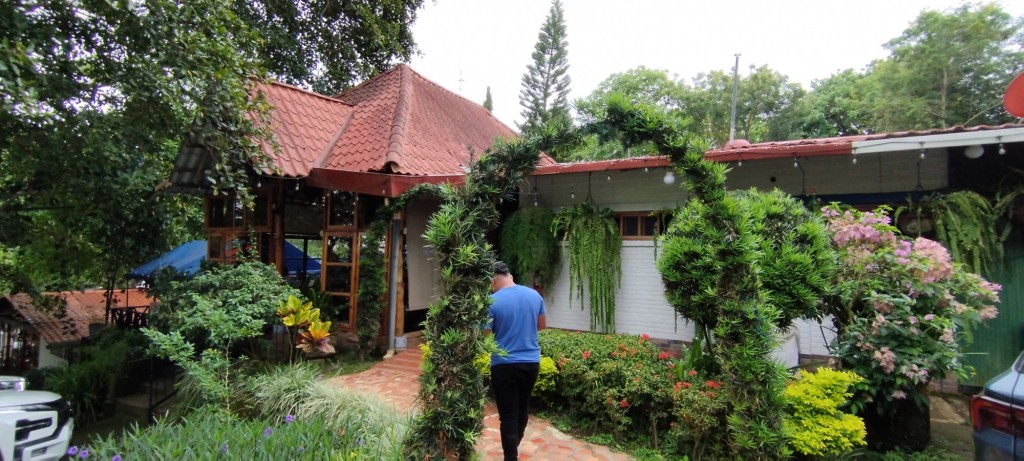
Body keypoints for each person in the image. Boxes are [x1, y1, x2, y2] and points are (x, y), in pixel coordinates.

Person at [486, 260, 547, 461]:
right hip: (530, 363)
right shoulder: (534, 296)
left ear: (493, 280)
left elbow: (486, 333)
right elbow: (541, 325)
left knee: (508, 416)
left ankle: (510, 457)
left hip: (503, 365)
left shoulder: (492, 301)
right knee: (522, 407)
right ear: (509, 275)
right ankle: (514, 445)